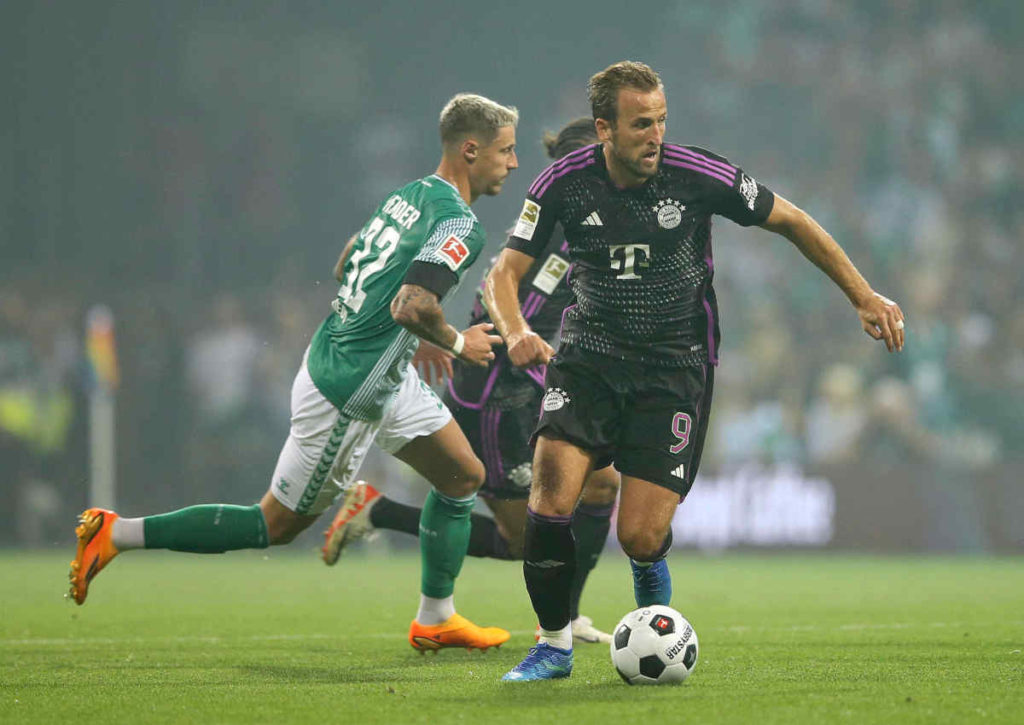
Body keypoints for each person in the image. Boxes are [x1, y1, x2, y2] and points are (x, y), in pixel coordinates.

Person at [487, 61, 906, 681]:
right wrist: (517, 330)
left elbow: (791, 220)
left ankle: (652, 611)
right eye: (640, 124)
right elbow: (504, 272)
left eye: (660, 120)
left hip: (673, 369)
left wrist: (863, 296)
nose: (654, 135)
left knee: (640, 536)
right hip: (588, 361)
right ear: (603, 128)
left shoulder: (696, 174)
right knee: (549, 501)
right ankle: (553, 646)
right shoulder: (561, 184)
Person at [69, 93, 522, 653]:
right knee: (273, 525)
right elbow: (411, 303)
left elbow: (348, 260)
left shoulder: (410, 195)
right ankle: (114, 533)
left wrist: (411, 334)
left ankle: (436, 618)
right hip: (350, 388)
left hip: (371, 366)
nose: (513, 162)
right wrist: (453, 340)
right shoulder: (460, 222)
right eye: (506, 150)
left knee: (462, 477)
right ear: (471, 150)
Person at [321, 119, 618, 645]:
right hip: (497, 398)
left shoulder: (574, 228)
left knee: (603, 483)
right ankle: (379, 511)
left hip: (527, 390)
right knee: (523, 540)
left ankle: (568, 614)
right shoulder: (551, 232)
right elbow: (509, 317)